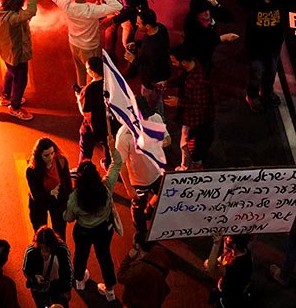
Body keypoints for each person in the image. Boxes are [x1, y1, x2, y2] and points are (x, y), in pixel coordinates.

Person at [65, 152, 126, 299]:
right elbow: (117, 164)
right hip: (103, 230)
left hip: (83, 231)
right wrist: (112, 149)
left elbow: (69, 218)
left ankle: (80, 280)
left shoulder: (75, 197)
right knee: (104, 256)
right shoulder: (106, 186)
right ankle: (110, 290)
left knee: (80, 254)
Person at [45, 0, 123, 88]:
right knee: (93, 75)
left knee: (80, 70)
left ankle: (80, 91)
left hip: (74, 44)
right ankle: (89, 95)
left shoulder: (67, 5)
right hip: (90, 47)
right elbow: (118, 6)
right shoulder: (92, 10)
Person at [115, 95, 167, 240]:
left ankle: (150, 208)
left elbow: (167, 140)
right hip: (139, 180)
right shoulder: (124, 135)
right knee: (138, 206)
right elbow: (120, 165)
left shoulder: (155, 118)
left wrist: (153, 142)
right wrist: (129, 189)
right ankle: (140, 231)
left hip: (157, 172)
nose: (145, 119)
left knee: (162, 193)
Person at [0, 0, 39, 120]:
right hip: (16, 54)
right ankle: (15, 107)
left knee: (10, 72)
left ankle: (5, 96)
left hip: (7, 53)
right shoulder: (12, 18)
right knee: (21, 80)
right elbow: (31, 12)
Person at [167, 42, 215, 171]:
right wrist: (167, 83)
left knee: (194, 148)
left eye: (174, 61)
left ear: (183, 62)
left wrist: (179, 102)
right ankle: (185, 166)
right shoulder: (189, 69)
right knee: (185, 144)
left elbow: (201, 105)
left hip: (197, 121)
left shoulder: (199, 80)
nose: (172, 63)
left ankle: (195, 170)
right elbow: (181, 80)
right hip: (189, 117)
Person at [26, 137, 74, 236]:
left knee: (60, 234)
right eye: (46, 155)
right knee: (41, 235)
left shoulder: (61, 161)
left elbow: (68, 185)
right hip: (40, 206)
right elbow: (36, 196)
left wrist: (68, 204)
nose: (50, 157)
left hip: (58, 202)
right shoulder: (32, 171)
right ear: (39, 156)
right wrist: (50, 194)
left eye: (52, 153)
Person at [23, 226, 72, 308]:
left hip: (57, 286)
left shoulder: (61, 249)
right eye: (42, 247)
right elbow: (26, 270)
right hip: (39, 289)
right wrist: (35, 277)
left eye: (48, 247)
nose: (45, 250)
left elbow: (67, 271)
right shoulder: (31, 252)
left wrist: (67, 290)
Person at [205, 234, 254, 308]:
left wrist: (216, 243)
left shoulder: (233, 267)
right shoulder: (244, 252)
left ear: (234, 244)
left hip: (229, 300)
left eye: (229, 237)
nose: (226, 237)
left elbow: (210, 267)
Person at [119, 241, 173, 307]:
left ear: (138, 246)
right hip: (155, 299)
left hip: (139, 303)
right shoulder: (160, 252)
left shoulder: (139, 268)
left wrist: (129, 258)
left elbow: (121, 277)